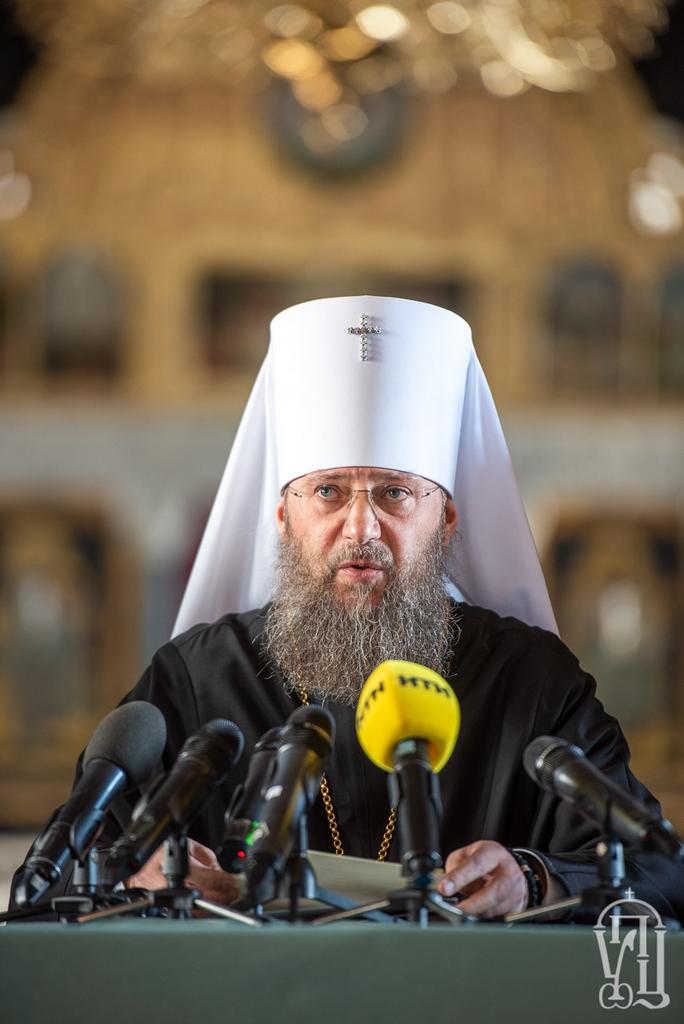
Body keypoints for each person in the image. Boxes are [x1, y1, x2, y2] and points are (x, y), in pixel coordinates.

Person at [13, 297, 684, 920]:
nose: (361, 528)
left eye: (394, 493)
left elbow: (661, 869)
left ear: (447, 520)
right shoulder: (196, 679)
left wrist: (537, 879)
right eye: (329, 491)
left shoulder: (533, 681)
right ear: (283, 518)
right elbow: (60, 880)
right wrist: (144, 878)